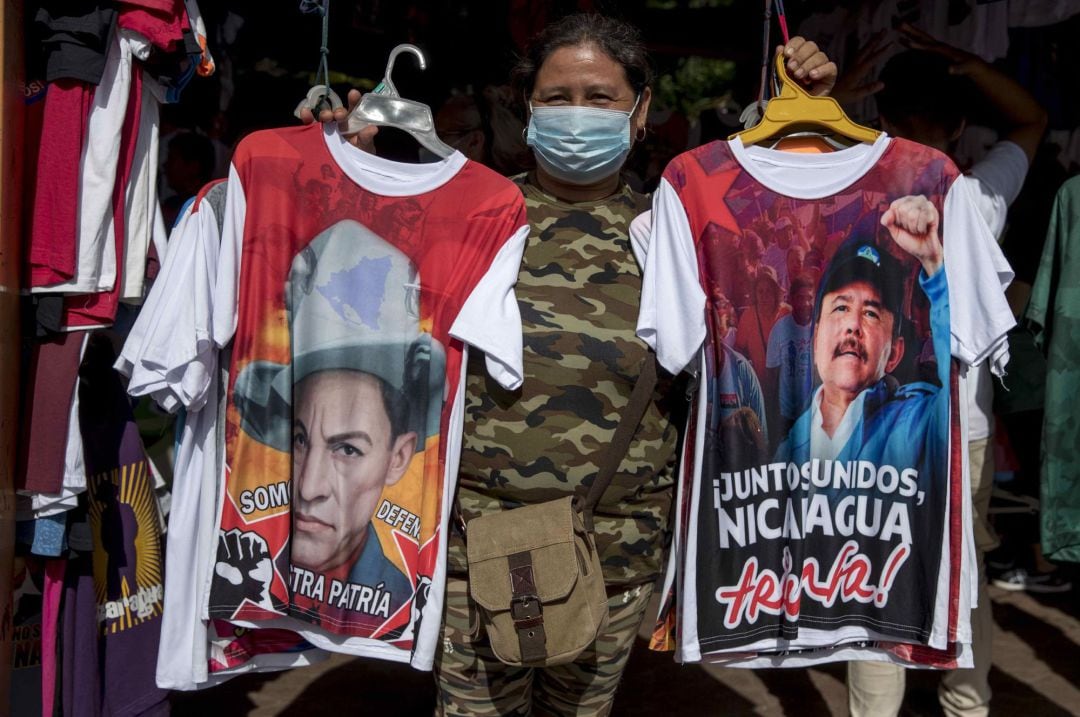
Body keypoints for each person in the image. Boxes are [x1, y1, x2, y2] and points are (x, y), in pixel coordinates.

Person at [311, 14, 837, 715]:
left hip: (614, 565)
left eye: (600, 97)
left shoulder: (679, 239)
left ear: (641, 110)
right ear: (525, 111)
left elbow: (806, 237)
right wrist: (344, 166)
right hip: (473, 557)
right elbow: (342, 302)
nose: (577, 115)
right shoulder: (466, 221)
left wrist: (813, 116)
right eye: (557, 98)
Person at [838, 23, 1050, 717]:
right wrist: (970, 65)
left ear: (884, 120)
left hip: (868, 423)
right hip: (965, 427)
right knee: (966, 573)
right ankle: (967, 701)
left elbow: (787, 149)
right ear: (960, 127)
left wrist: (837, 97)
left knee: (872, 572)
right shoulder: (975, 198)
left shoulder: (839, 193)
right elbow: (1031, 118)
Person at [226, 223, 444, 622]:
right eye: (299, 438)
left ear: (398, 457)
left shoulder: (397, 608)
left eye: (348, 449)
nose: (308, 487)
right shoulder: (248, 577)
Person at [776, 194, 948, 471]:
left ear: (894, 352)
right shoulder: (787, 450)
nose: (853, 325)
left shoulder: (915, 423)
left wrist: (934, 264)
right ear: (815, 339)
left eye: (871, 313)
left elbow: (957, 395)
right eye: (841, 307)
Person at [764, 271, 816, 452]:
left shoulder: (822, 328)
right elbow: (771, 375)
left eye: (809, 298)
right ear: (792, 299)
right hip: (786, 416)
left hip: (814, 414)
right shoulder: (780, 329)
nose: (805, 303)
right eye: (800, 298)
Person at [734, 265, 790, 377]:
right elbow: (738, 349)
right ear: (755, 294)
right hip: (760, 384)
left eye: (769, 291)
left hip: (786, 381)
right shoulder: (748, 316)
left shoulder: (787, 313)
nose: (764, 296)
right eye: (760, 291)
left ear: (775, 292)